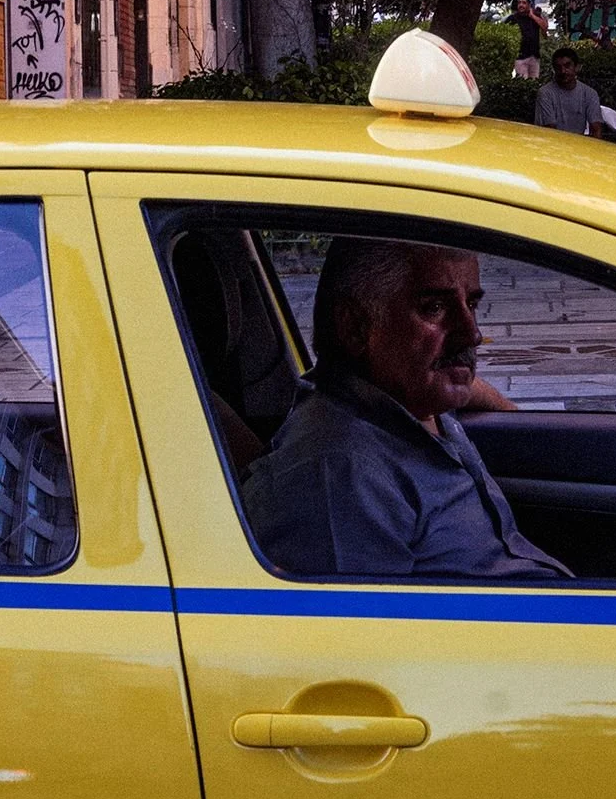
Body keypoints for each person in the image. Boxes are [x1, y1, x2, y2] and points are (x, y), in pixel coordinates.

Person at [241, 237, 569, 580]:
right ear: (355, 327)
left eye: (471, 305)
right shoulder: (340, 477)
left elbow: (464, 383)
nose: (471, 333)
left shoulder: (409, 395)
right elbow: (361, 628)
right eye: (434, 308)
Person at [535, 46, 603, 137]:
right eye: (558, 67)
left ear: (577, 67)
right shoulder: (545, 93)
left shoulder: (590, 94)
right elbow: (549, 130)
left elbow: (596, 129)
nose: (563, 71)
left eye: (567, 66)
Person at [507, 0, 548, 79]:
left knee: (534, 81)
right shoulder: (513, 18)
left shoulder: (535, 17)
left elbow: (544, 27)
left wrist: (533, 16)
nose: (521, 5)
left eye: (524, 3)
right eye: (519, 3)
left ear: (529, 5)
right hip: (520, 57)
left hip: (534, 56)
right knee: (523, 81)